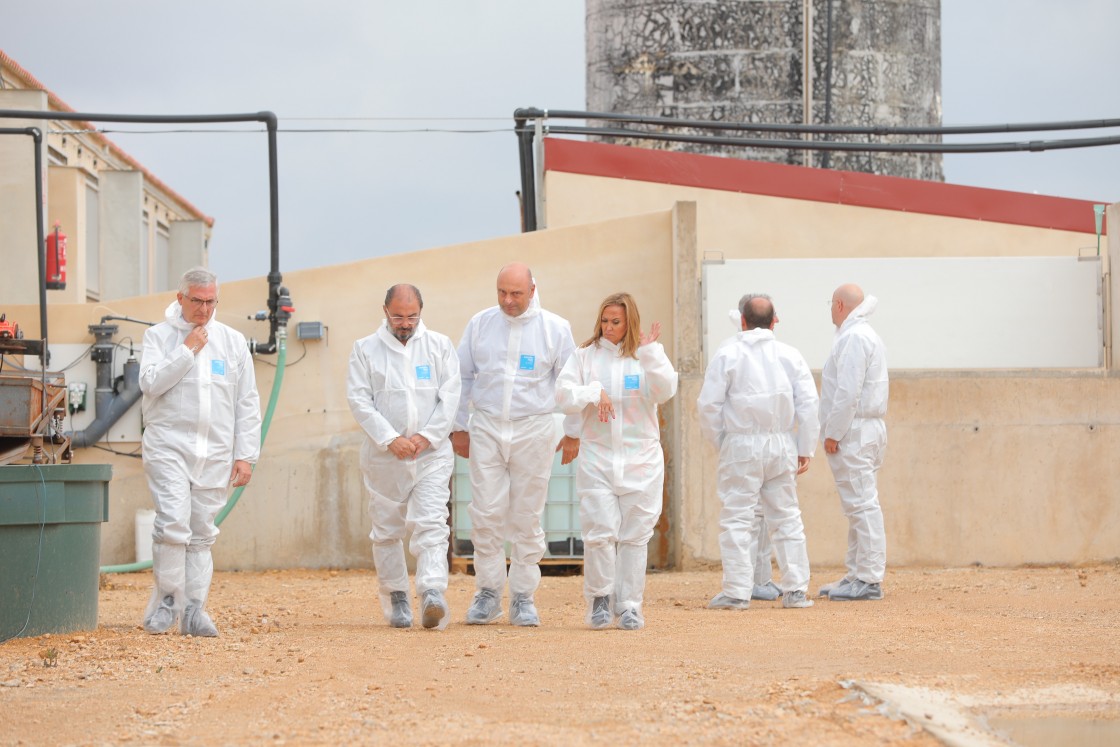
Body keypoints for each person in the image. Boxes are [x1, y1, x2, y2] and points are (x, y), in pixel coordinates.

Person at [451, 263, 580, 627]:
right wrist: (459, 426)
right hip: (488, 425)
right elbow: (461, 375)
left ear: (533, 289)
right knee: (486, 512)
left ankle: (523, 596)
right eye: (502, 293)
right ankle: (488, 593)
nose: (508, 301)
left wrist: (572, 431)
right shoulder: (480, 324)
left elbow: (569, 383)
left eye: (516, 294)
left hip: (534, 427)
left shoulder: (556, 328)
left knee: (527, 515)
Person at [139, 267, 261, 636]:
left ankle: (194, 611)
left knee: (202, 532)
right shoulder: (158, 337)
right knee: (174, 524)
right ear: (181, 299)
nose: (204, 309)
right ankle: (166, 605)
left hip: (216, 451)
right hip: (169, 447)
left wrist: (246, 455)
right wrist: (187, 349)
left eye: (211, 302)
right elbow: (150, 383)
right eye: (197, 301)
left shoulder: (232, 342)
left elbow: (247, 402)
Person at [556, 293, 678, 630]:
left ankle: (629, 605)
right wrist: (593, 391)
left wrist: (652, 351)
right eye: (605, 321)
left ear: (629, 323)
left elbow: (665, 389)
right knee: (599, 532)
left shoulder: (646, 356)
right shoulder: (584, 357)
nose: (608, 328)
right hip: (598, 458)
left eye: (616, 322)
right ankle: (599, 599)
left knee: (635, 536)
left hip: (642, 459)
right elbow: (563, 395)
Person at [347, 284, 461, 629]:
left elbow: (451, 395)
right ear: (385, 311)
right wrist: (390, 439)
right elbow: (359, 400)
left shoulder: (440, 346)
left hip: (432, 455)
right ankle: (396, 597)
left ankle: (431, 593)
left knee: (431, 523)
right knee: (387, 530)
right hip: (386, 458)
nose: (406, 323)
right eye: (398, 316)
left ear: (421, 312)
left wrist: (426, 437)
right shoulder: (365, 350)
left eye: (412, 316)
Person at [697, 294, 818, 610]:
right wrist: (804, 447)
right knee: (787, 517)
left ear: (742, 320)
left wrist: (722, 442)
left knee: (738, 518)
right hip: (781, 444)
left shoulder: (727, 353)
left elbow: (709, 405)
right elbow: (808, 403)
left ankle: (737, 592)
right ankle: (796, 591)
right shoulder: (790, 355)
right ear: (774, 320)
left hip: (741, 444)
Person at [818, 283, 889, 601]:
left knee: (862, 505)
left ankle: (869, 578)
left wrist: (833, 432)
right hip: (862, 429)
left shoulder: (854, 338)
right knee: (857, 505)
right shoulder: (858, 335)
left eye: (831, 304)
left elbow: (848, 392)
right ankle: (857, 572)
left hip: (855, 431)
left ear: (839, 305)